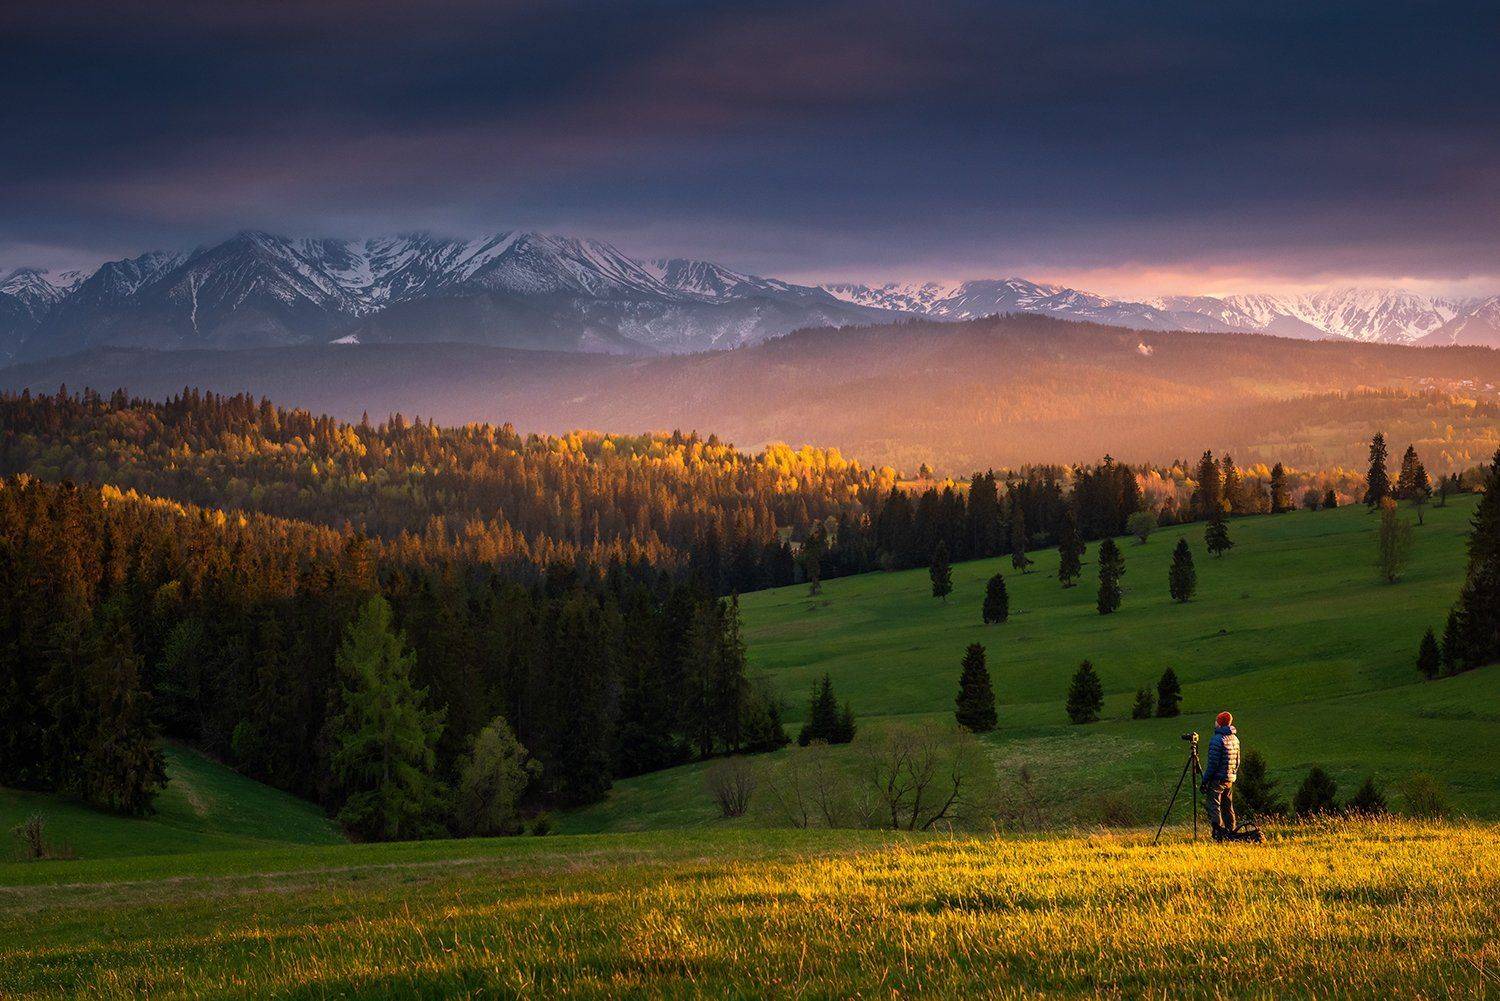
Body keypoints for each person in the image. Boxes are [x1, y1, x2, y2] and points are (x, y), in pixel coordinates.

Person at [1200, 710, 1240, 840]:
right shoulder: (1235, 738)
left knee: (1214, 805)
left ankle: (1219, 833)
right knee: (1228, 806)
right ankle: (1231, 831)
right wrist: (1233, 774)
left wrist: (1205, 780)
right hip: (1229, 777)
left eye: (1216, 720)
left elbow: (1213, 764)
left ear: (1220, 723)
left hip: (1217, 778)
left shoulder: (1217, 739)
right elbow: (1238, 760)